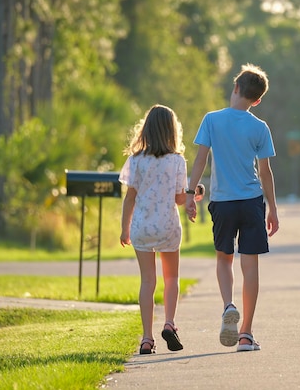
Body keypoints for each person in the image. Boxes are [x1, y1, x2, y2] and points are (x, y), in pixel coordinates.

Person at [185, 63, 279, 352]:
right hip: (251, 202)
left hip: (222, 203)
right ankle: (246, 334)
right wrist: (272, 209)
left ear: (236, 88)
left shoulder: (212, 120)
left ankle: (228, 306)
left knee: (224, 260)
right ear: (257, 99)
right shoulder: (259, 127)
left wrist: (190, 193)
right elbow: (265, 172)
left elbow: (201, 160)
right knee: (250, 266)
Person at [119, 104, 202, 355]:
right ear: (171, 130)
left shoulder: (136, 161)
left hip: (142, 227)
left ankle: (146, 338)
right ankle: (169, 323)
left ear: (146, 129)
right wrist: (193, 196)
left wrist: (125, 230)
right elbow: (179, 199)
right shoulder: (177, 161)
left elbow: (129, 198)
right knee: (171, 278)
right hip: (167, 226)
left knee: (147, 281)